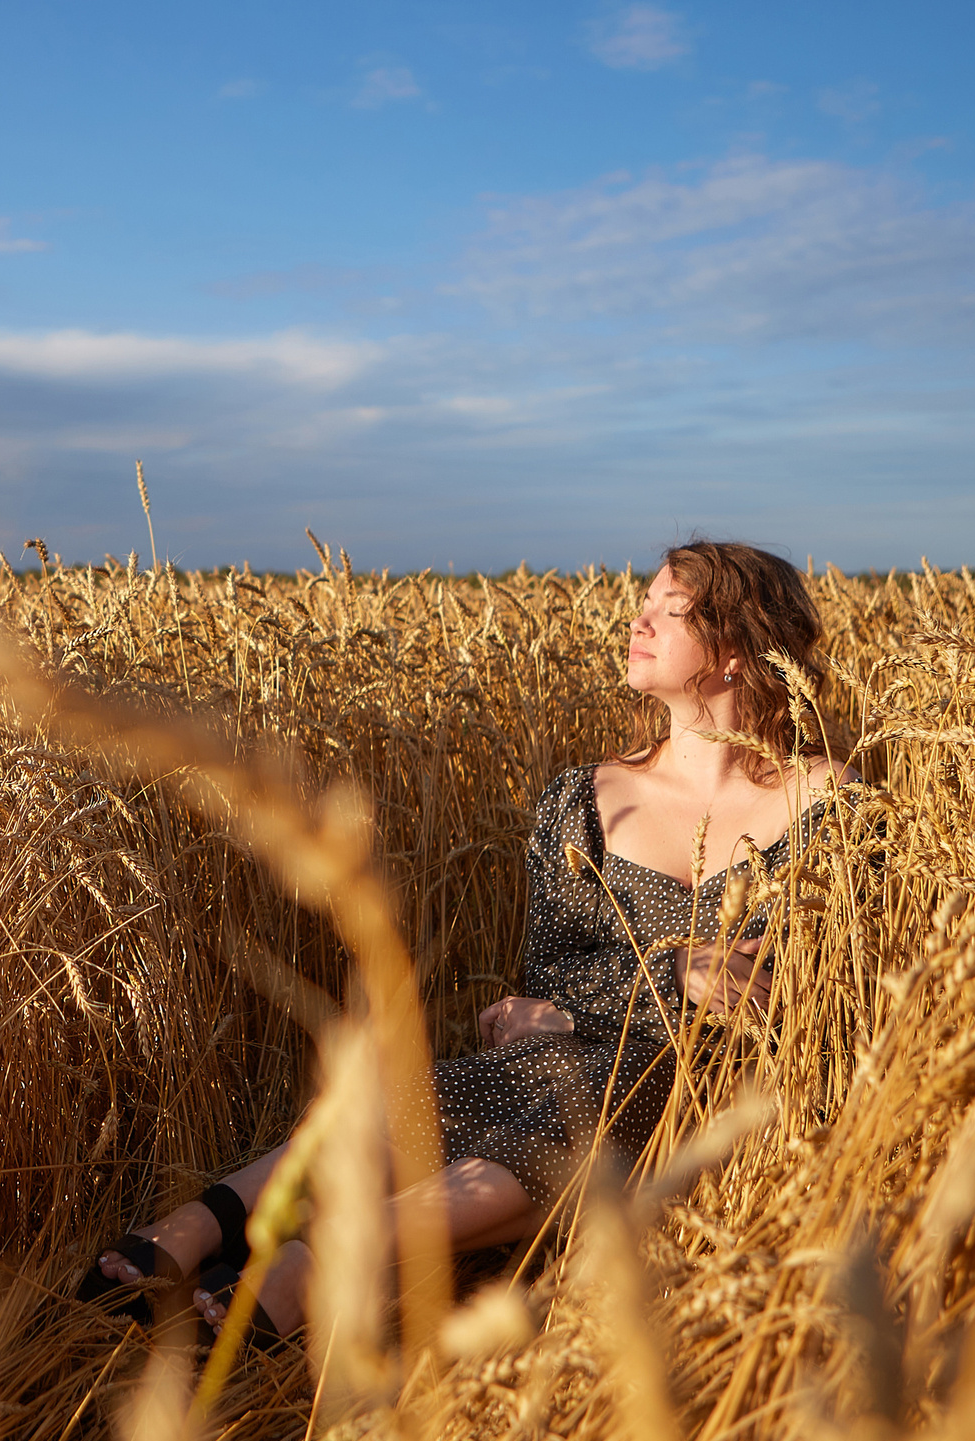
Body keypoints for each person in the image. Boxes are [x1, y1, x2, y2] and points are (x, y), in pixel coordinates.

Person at [73, 540, 855, 1341]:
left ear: (735, 649)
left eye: (670, 610)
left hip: (718, 1087)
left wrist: (638, 994)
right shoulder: (583, 799)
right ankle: (207, 1220)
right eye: (643, 602)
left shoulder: (830, 804)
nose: (637, 619)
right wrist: (669, 970)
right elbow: (550, 976)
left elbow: (816, 989)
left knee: (624, 1085)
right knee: (423, 1094)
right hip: (571, 1051)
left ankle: (330, 1254)